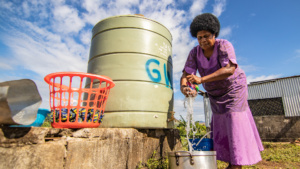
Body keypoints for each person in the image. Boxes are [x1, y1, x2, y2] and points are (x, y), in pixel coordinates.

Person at [180, 13, 264, 169]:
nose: (203, 40)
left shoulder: (224, 45)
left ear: (214, 34)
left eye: (206, 36)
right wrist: (184, 87)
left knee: (234, 120)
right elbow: (186, 74)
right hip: (215, 93)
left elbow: (230, 69)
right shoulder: (194, 52)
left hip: (233, 88)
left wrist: (201, 79)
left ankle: (236, 164)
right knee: (219, 122)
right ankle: (227, 159)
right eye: (199, 37)